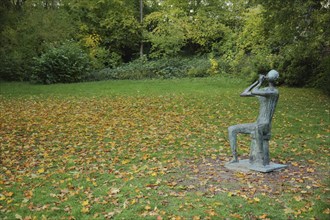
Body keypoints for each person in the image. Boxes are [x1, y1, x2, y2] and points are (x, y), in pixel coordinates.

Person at [228, 70, 279, 164]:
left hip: (265, 125)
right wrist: (256, 82)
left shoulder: (273, 92)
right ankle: (234, 157)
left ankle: (260, 156)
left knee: (257, 128)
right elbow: (243, 93)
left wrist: (259, 83)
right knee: (231, 129)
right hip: (258, 123)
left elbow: (254, 91)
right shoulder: (263, 91)